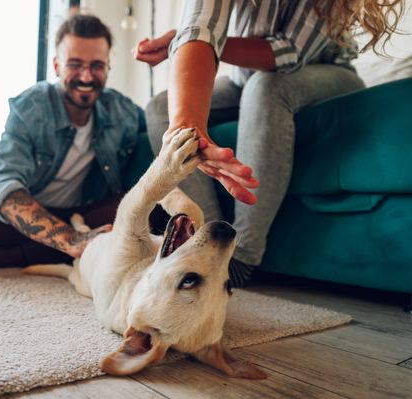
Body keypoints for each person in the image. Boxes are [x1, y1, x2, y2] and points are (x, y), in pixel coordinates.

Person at [135, 0, 405, 287]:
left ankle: (244, 257)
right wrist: (186, 124)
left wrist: (207, 38)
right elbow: (199, 27)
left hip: (325, 72)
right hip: (246, 78)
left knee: (265, 88)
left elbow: (286, 51)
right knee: (160, 107)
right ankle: (210, 244)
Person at [0, 14, 150, 271]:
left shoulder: (123, 112)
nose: (86, 77)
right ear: (56, 66)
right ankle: (57, 252)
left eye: (97, 65)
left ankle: (9, 257)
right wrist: (70, 240)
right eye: (75, 64)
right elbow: (3, 184)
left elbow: (161, 142)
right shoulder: (32, 107)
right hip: (17, 219)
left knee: (147, 204)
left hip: (82, 217)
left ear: (108, 65)